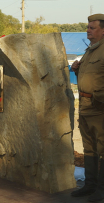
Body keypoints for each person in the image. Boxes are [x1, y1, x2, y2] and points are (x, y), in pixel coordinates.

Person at [71, 13, 104, 202]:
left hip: (99, 107)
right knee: (89, 148)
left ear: (103, 30)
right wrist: (77, 69)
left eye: (92, 28)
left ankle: (101, 188)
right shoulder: (91, 50)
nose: (88, 30)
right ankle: (90, 185)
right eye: (88, 27)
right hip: (84, 106)